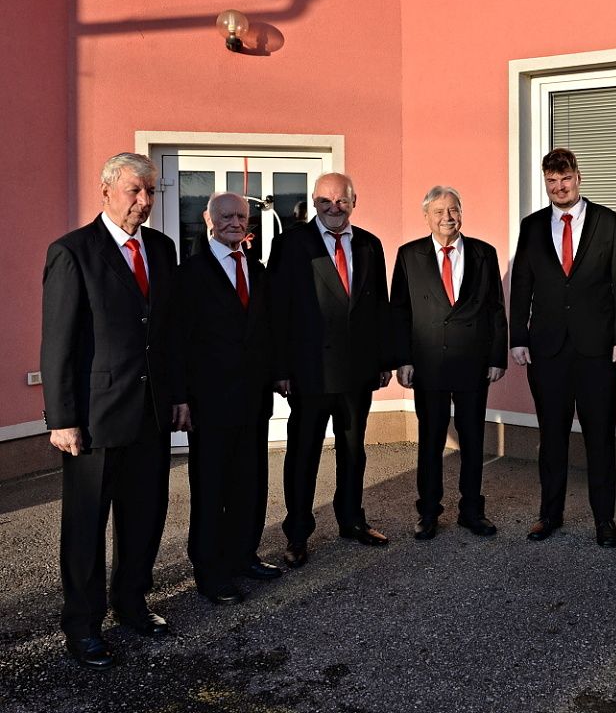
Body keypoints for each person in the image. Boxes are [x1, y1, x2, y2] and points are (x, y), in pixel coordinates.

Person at [41, 153, 180, 669]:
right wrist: (62, 419)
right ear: (106, 191)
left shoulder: (162, 249)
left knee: (144, 516)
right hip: (93, 418)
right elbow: (58, 342)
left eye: (150, 192)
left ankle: (132, 603)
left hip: (150, 412)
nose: (143, 201)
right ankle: (83, 625)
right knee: (86, 525)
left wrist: (178, 396)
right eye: (133, 191)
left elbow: (168, 334)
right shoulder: (73, 251)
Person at [510, 147, 616, 548]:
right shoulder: (532, 226)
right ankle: (550, 514)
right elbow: (522, 285)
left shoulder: (607, 221)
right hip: (547, 350)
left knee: (600, 437)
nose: (559, 187)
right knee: (552, 436)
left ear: (578, 178)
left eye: (565, 179)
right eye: (552, 181)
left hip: (599, 350)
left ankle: (604, 520)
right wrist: (518, 338)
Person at [268, 172, 393, 568]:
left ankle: (352, 520)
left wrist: (384, 361)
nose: (333, 208)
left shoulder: (370, 244)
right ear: (314, 203)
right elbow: (277, 310)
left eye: (341, 201)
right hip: (310, 372)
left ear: (354, 202)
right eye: (325, 201)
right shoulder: (290, 244)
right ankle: (298, 533)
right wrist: (280, 368)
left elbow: (380, 308)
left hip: (358, 371)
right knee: (303, 455)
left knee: (353, 452)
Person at [170, 193, 279, 607]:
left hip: (253, 399)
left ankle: (243, 555)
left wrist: (278, 374)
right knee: (211, 487)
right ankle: (210, 571)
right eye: (227, 216)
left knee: (250, 482)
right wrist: (180, 396)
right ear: (209, 220)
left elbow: (267, 329)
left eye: (241, 216)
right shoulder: (189, 274)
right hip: (209, 402)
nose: (235, 222)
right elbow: (178, 340)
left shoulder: (257, 269)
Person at [392, 186, 508, 540]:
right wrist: (402, 359)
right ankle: (428, 511)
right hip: (428, 363)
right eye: (439, 211)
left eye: (453, 209)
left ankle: (472, 510)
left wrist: (497, 357)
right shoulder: (409, 255)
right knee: (430, 441)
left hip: (473, 363)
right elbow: (399, 311)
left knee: (472, 440)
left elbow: (495, 309)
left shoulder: (484, 253)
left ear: (461, 213)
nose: (447, 217)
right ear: (426, 216)